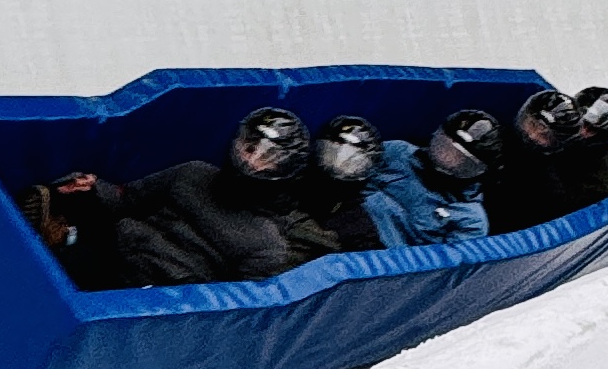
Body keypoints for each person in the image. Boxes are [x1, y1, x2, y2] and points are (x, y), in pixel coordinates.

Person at [113, 107, 334, 286]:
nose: (251, 161)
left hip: (162, 296)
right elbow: (126, 200)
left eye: (266, 158)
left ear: (282, 172)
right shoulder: (192, 173)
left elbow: (230, 306)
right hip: (118, 254)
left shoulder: (267, 244)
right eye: (249, 148)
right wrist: (91, 190)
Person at [363, 108, 499, 249]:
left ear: (474, 169)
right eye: (444, 147)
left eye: (459, 158)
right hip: (348, 225)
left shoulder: (471, 219)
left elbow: (442, 263)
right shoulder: (398, 152)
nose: (446, 158)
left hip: (381, 258)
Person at [483, 86, 582, 237]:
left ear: (557, 142)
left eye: (545, 136)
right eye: (533, 124)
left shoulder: (547, 189)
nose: (532, 135)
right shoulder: (490, 137)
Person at [300, 115, 385, 252]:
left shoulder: (356, 225)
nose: (341, 159)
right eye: (333, 150)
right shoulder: (282, 186)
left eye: (354, 160)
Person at [543, 86, 608, 217]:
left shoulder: (595, 186)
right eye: (580, 121)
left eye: (591, 129)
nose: (581, 131)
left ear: (602, 137)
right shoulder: (549, 127)